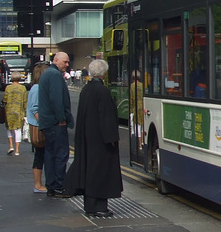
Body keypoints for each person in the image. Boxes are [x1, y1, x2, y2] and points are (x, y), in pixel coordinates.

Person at [64, 58, 122, 217]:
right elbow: (106, 116)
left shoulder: (86, 90)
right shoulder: (102, 91)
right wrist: (111, 137)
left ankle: (91, 206)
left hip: (87, 138)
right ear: (104, 73)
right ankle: (99, 207)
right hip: (100, 141)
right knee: (100, 172)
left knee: (90, 172)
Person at [38, 52, 74, 197]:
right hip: (55, 122)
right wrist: (61, 118)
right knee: (60, 154)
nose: (67, 65)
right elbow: (56, 99)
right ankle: (59, 186)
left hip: (47, 122)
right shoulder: (54, 75)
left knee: (50, 154)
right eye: (65, 62)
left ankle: (51, 186)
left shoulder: (47, 73)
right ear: (56, 60)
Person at [26, 62, 49, 193]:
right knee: (40, 155)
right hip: (38, 127)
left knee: (41, 155)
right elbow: (35, 108)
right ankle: (38, 185)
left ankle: (40, 184)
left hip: (39, 126)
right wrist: (44, 123)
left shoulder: (38, 88)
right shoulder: (37, 88)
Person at [2, 72, 28, 156]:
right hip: (19, 111)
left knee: (9, 128)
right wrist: (26, 113)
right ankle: (17, 150)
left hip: (9, 111)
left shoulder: (8, 88)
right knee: (18, 130)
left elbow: (5, 99)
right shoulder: (23, 88)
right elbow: (25, 101)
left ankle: (10, 146)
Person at [129, 70, 144, 151]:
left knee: (137, 126)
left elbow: (131, 99)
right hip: (143, 106)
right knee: (142, 126)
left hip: (136, 108)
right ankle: (142, 142)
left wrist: (131, 110)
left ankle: (139, 144)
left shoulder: (132, 86)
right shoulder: (142, 86)